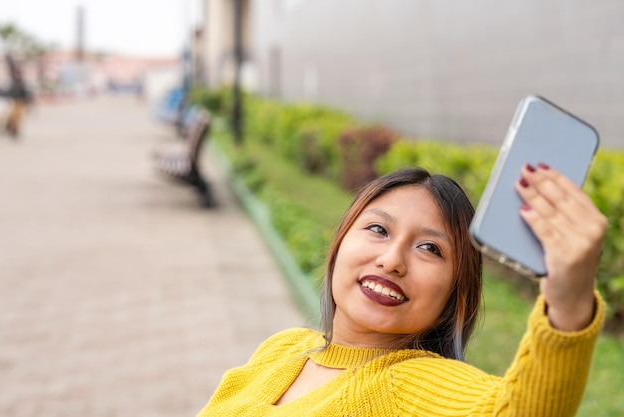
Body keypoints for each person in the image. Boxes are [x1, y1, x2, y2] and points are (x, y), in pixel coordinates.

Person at [197, 164, 606, 416]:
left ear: (454, 295)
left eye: (430, 248)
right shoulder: (282, 348)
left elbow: (519, 412)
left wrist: (568, 300)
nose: (392, 259)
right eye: (378, 229)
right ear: (340, 243)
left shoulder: (409, 385)